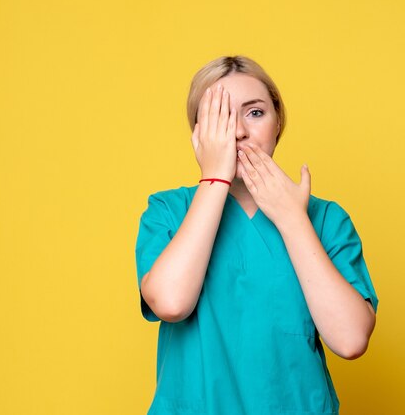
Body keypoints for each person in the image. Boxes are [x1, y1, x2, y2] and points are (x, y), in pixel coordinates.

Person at [134, 55, 379, 415]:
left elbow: (351, 339)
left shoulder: (325, 219)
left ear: (278, 123)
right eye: (220, 116)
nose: (237, 131)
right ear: (198, 132)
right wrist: (214, 178)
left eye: (255, 112)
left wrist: (292, 219)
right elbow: (171, 303)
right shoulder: (168, 211)